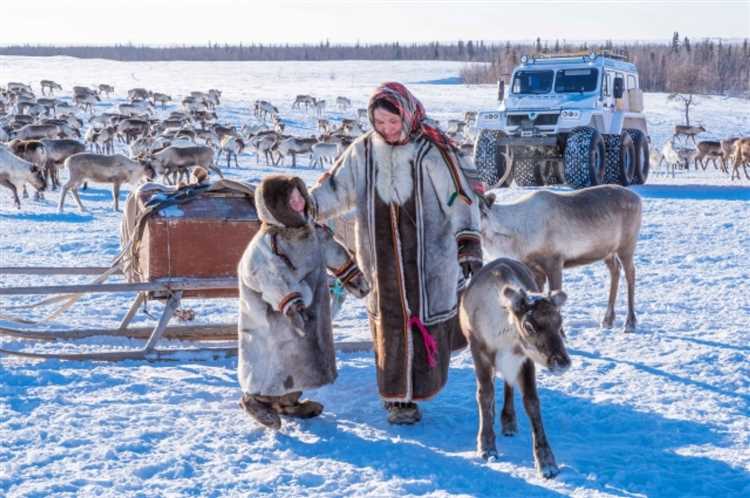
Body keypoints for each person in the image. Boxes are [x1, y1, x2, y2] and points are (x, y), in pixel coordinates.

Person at [310, 82, 483, 424]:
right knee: (389, 324)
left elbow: (459, 197)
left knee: (422, 321)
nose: (387, 130)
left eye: (393, 122)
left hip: (428, 259)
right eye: (379, 122)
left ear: (407, 115)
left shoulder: (431, 152)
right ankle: (397, 400)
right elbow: (334, 189)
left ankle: (418, 389)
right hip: (380, 259)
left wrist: (467, 240)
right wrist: (304, 208)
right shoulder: (362, 152)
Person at [237, 174, 370, 430]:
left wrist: (352, 277)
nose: (298, 203)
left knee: (301, 356)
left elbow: (331, 250)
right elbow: (270, 276)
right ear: (274, 206)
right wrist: (291, 303)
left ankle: (287, 401)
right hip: (272, 315)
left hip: (306, 310)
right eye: (291, 200)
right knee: (272, 355)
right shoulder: (268, 243)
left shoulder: (309, 230)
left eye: (300, 197)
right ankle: (256, 398)